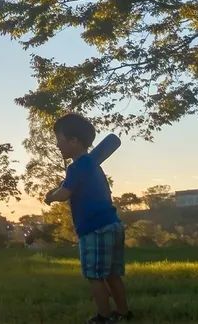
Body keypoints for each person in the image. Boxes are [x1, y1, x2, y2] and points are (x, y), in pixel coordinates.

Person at [45, 114, 131, 324]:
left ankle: (103, 316)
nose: (57, 145)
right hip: (113, 225)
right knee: (112, 275)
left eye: (60, 140)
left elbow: (65, 194)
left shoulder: (76, 167)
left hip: (94, 229)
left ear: (74, 141)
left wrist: (50, 197)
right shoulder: (92, 166)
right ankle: (123, 312)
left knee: (94, 276)